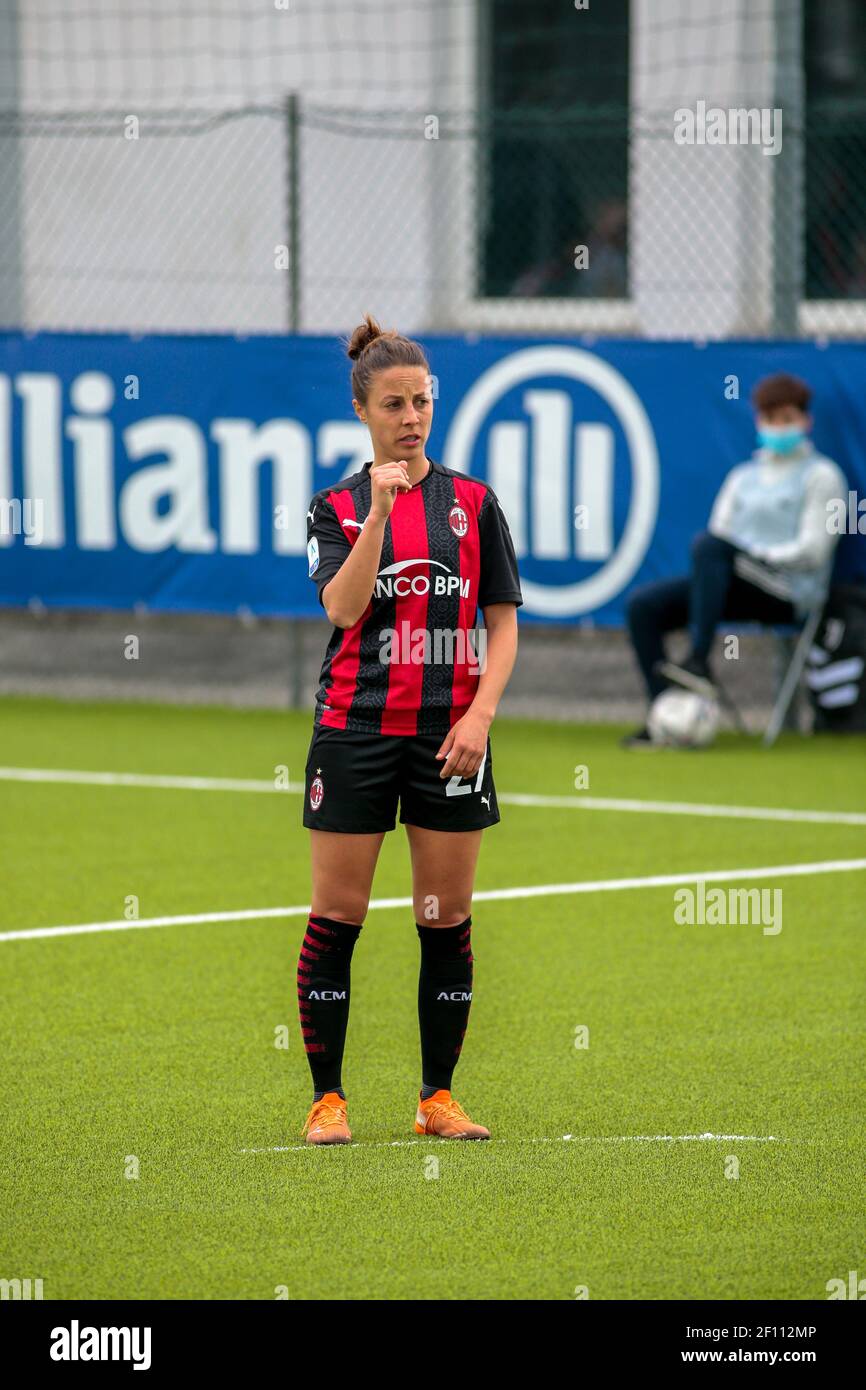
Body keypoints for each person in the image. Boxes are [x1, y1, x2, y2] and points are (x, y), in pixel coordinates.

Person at [298, 314, 523, 1143]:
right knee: (340, 914)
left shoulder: (473, 503)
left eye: (422, 401)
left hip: (452, 736)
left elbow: (502, 624)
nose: (412, 417)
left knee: (445, 916)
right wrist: (383, 514)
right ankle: (329, 1100)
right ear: (362, 409)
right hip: (354, 730)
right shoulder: (337, 507)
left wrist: (481, 714)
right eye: (394, 403)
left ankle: (437, 1098)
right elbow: (344, 608)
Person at [623, 372, 847, 745]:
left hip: (789, 592)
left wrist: (754, 555)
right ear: (759, 422)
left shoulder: (822, 476)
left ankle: (698, 657)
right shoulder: (742, 477)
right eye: (770, 419)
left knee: (711, 548)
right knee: (643, 606)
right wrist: (735, 559)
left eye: (787, 419)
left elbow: (814, 550)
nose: (779, 427)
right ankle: (666, 718)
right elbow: (719, 532)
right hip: (735, 582)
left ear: (805, 422)